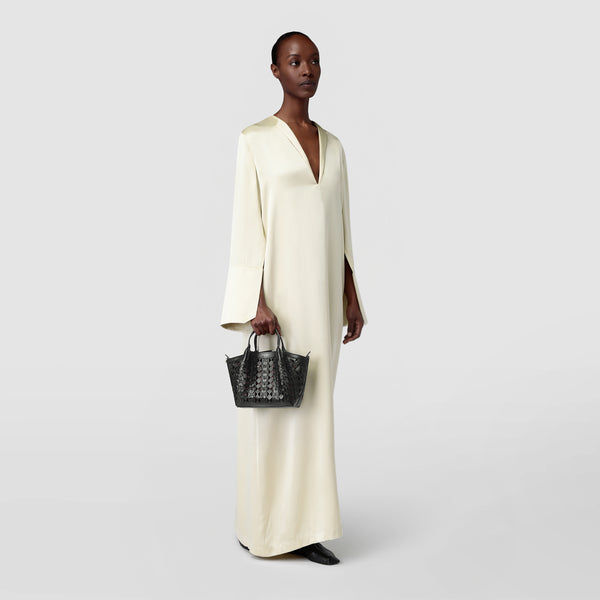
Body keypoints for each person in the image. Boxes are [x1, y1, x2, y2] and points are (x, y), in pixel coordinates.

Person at [219, 31, 368, 565]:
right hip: (278, 301)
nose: (307, 70)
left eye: (314, 61)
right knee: (273, 414)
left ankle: (307, 528)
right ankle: (259, 526)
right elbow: (247, 226)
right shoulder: (255, 140)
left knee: (315, 412)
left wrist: (351, 295)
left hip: (322, 301)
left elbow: (342, 226)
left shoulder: (334, 146)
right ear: (276, 71)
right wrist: (255, 300)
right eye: (295, 61)